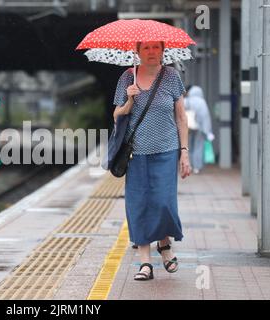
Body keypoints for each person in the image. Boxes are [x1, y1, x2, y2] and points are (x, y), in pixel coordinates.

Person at [111, 41, 191, 281]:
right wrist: (129, 101)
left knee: (163, 202)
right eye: (146, 48)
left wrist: (184, 152)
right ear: (137, 52)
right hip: (136, 153)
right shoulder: (127, 77)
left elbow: (181, 117)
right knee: (139, 205)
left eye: (156, 48)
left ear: (163, 51)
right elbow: (116, 115)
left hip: (167, 150)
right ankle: (145, 263)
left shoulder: (171, 77)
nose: (152, 52)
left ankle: (164, 245)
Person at [184, 85, 214, 174]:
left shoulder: (186, 101)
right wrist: (207, 130)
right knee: (198, 147)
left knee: (188, 146)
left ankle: (189, 165)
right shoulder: (202, 102)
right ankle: (197, 167)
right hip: (200, 128)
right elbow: (205, 117)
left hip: (188, 127)